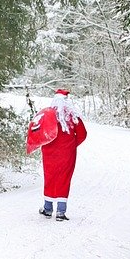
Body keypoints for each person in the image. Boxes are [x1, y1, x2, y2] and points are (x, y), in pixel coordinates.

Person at [39, 88, 87, 221]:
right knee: (64, 179)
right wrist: (70, 145)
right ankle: (61, 211)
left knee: (49, 178)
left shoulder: (47, 115)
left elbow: (39, 133)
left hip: (49, 153)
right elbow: (82, 134)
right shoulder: (73, 116)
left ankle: (47, 209)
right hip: (67, 154)